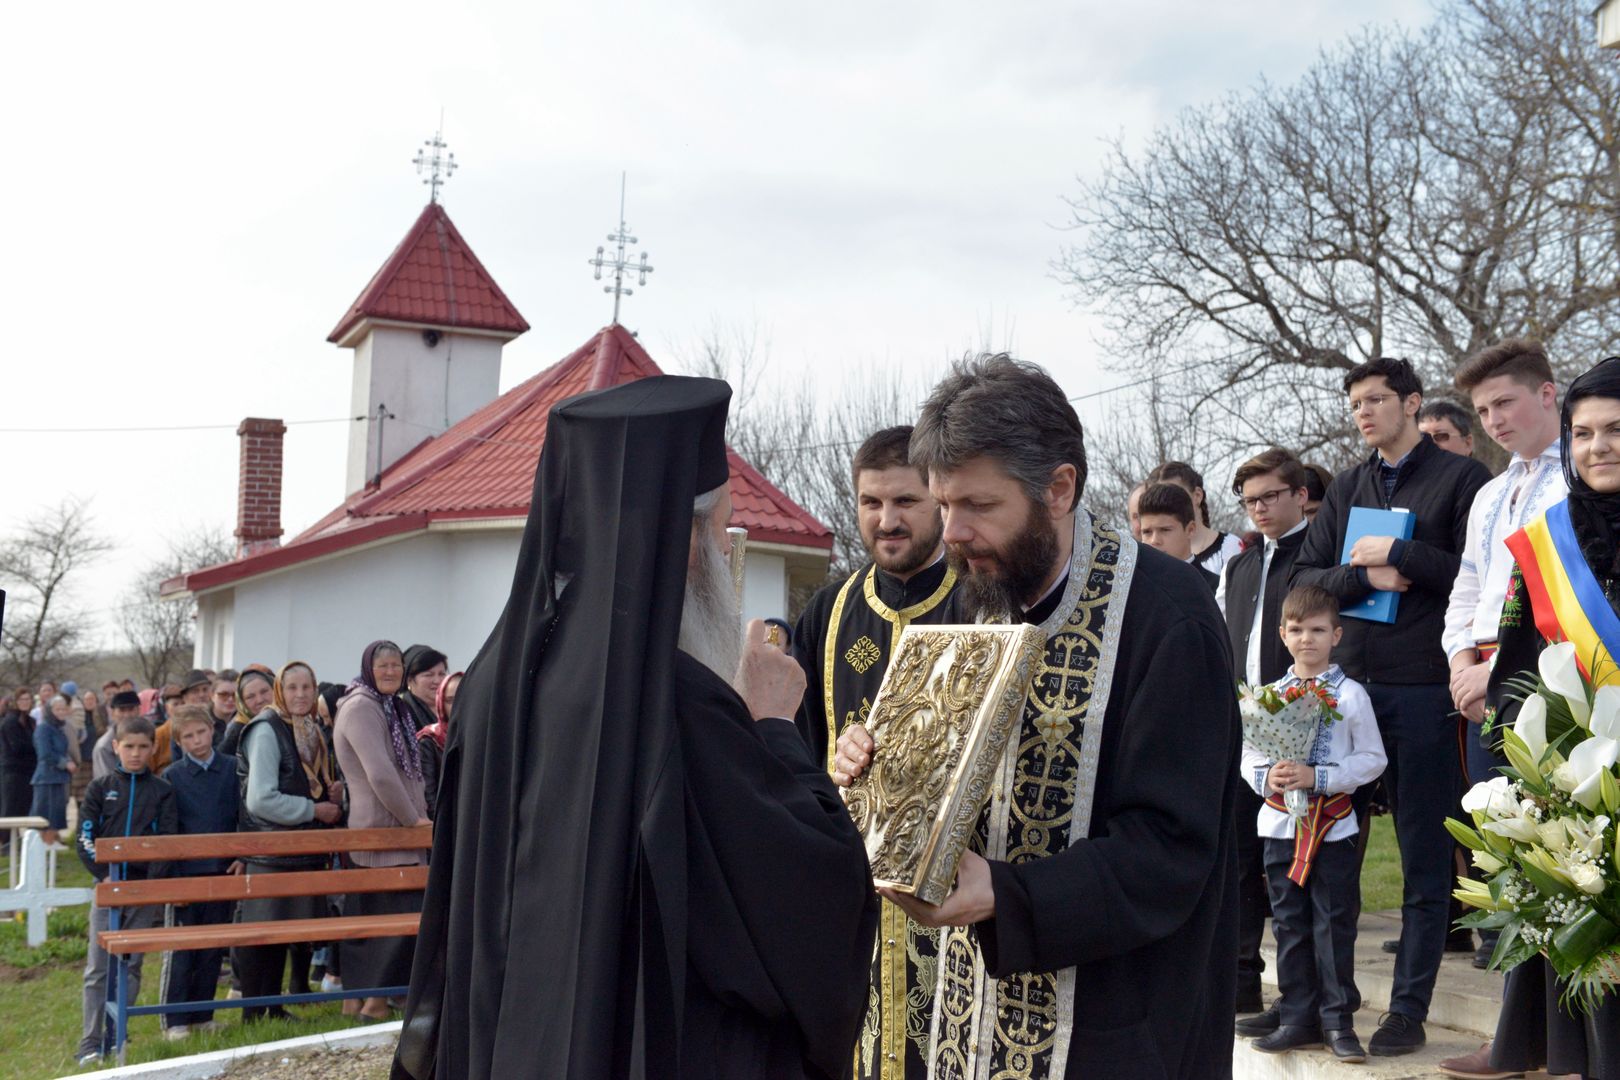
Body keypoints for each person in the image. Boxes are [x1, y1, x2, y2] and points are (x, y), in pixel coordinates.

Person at [394, 375, 877, 1080]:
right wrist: (773, 727)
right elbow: (810, 903)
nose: (724, 549)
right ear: (677, 537)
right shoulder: (679, 703)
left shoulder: (494, 682)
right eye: (721, 527)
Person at [835, 354, 1240, 1078]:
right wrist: (876, 767)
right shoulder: (981, 594)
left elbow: (1172, 849)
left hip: (1116, 1023)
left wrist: (1007, 894)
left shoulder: (1168, 617)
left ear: (1059, 488)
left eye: (979, 507)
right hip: (970, 1009)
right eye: (944, 503)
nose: (952, 533)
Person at [1291, 356, 1490, 1054]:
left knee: (1425, 858)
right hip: (1346, 693)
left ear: (1412, 404)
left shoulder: (1464, 479)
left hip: (1421, 689)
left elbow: (1480, 574)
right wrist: (1362, 573)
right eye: (1355, 404)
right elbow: (1306, 577)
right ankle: (1323, 1005)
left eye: (1376, 400)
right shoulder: (1347, 485)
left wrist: (1405, 554)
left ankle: (1407, 1010)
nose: (1364, 413)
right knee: (1325, 855)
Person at [1448, 356, 1620, 1080]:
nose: (1597, 448)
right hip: (1579, 769)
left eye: (1616, 431)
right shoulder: (1550, 539)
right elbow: (1519, 648)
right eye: (1583, 434)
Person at [789, 424, 956, 1080]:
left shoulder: (982, 602)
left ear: (939, 501)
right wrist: (827, 772)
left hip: (952, 899)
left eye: (905, 503)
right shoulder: (827, 614)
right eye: (871, 503)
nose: (886, 520)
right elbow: (791, 759)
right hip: (850, 899)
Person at [1241, 586, 1387, 1062]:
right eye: (1298, 630)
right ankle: (1297, 1015)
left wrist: (1318, 776)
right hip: (1282, 828)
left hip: (1332, 830)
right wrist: (1270, 776)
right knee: (1288, 924)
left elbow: (1372, 759)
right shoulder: (1269, 696)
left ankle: (1337, 1021)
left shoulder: (1351, 695)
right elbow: (1248, 753)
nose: (1308, 639)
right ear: (1283, 634)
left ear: (1336, 635)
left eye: (1318, 630)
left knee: (1333, 924)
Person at [1215, 447, 1312, 1030]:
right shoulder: (1240, 564)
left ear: (1299, 494)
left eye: (1271, 496)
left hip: (1303, 726)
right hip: (1246, 731)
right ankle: (1242, 981)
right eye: (1250, 501)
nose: (1260, 509)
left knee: (1294, 867)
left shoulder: (1316, 555)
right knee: (1240, 860)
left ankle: (1307, 994)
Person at [234, 660, 344, 1022]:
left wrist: (332, 792)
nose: (300, 695)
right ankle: (253, 1015)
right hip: (269, 852)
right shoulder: (267, 729)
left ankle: (274, 1009)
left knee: (281, 936)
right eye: (292, 687)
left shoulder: (308, 727)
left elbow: (304, 778)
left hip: (297, 851)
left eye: (307, 688)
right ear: (280, 689)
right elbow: (260, 799)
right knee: (262, 937)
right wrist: (314, 810)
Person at [335, 641, 429, 1022]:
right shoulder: (361, 707)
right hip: (382, 834)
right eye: (382, 665)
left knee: (388, 921)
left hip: (398, 833)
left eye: (396, 665)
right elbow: (380, 774)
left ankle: (365, 1001)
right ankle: (371, 1004)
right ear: (367, 668)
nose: (390, 671)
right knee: (385, 926)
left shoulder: (392, 707)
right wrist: (414, 821)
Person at [74, 715, 177, 1066]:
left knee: (131, 965)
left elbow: (166, 841)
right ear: (116, 746)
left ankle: (117, 1031)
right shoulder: (100, 788)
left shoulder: (162, 790)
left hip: (141, 891)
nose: (135, 753)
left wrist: (148, 883)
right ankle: (90, 1040)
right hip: (106, 888)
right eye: (128, 746)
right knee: (98, 967)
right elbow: (85, 835)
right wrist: (103, 875)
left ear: (153, 748)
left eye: (143, 747)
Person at [154, 704, 239, 1040]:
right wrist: (175, 877)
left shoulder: (232, 768)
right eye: (188, 736)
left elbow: (240, 816)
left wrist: (241, 854)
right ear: (179, 742)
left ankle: (203, 1014)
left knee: (212, 948)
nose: (197, 740)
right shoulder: (172, 776)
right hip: (187, 875)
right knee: (183, 949)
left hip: (222, 871)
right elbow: (169, 830)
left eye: (201, 732)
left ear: (212, 730)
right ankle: (175, 1020)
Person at [1146, 459, 1244, 575]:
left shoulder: (1230, 548)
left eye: (1174, 496)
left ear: (1197, 495)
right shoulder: (1150, 555)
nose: (1165, 505)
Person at [1136, 482, 1218, 590]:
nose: (1154, 540)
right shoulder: (1133, 589)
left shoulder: (1215, 588)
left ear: (1190, 530)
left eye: (1165, 530)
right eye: (1147, 532)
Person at [31, 695, 77, 845]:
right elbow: (44, 754)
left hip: (58, 778)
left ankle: (50, 844)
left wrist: (69, 761)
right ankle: (43, 846)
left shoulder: (59, 728)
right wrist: (65, 764)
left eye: (63, 709)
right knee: (46, 816)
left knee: (56, 815)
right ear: (50, 711)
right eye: (58, 709)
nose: (61, 712)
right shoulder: (43, 729)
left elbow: (63, 750)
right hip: (46, 778)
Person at [416, 671, 462, 820]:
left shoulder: (485, 736)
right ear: (441, 702)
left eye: (463, 698)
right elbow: (429, 796)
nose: (457, 705)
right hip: (446, 824)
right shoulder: (429, 739)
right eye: (450, 700)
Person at [216, 666, 276, 760]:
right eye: (250, 697)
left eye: (264, 691)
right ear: (242, 703)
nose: (259, 700)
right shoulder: (238, 729)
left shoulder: (288, 719)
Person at [0, 689, 38, 824]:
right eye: (22, 699)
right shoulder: (11, 721)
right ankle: (5, 844)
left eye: (28, 699)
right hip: (14, 773)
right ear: (15, 702)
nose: (25, 702)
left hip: (28, 772)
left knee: (23, 812)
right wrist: (37, 747)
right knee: (10, 812)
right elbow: (18, 747)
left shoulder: (30, 721)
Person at [398, 646, 448, 732]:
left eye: (441, 674)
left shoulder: (452, 707)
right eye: (428, 675)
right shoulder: (401, 712)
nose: (437, 681)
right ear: (409, 680)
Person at [207, 675, 239, 745]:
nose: (230, 699)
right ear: (212, 695)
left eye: (235, 695)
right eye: (224, 695)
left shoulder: (245, 722)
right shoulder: (202, 723)